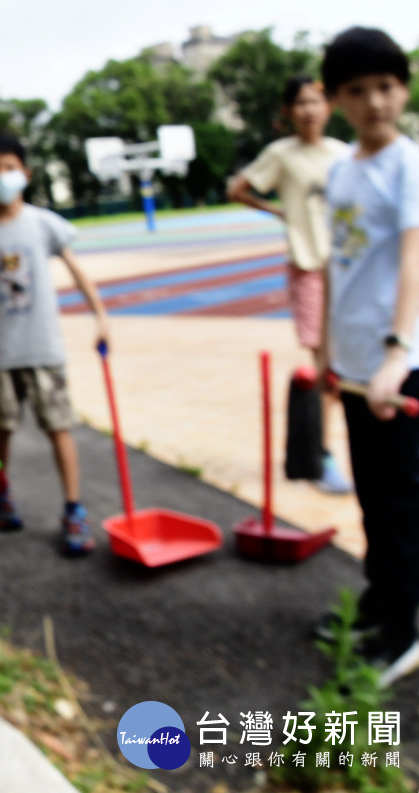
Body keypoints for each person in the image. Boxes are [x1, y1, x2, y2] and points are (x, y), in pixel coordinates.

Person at [0, 133, 109, 556]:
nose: (2, 176)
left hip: (44, 347)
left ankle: (74, 509)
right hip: (3, 350)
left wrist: (101, 315)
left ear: (26, 173)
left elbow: (78, 271)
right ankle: (0, 496)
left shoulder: (44, 223)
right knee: (4, 428)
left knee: (59, 427)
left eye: (9, 167)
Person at [313, 26, 419, 688]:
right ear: (337, 100)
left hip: (396, 364)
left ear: (403, 88)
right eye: (359, 90)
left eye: (386, 86)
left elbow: (413, 256)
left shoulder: (409, 163)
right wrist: (328, 346)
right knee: (375, 500)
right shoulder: (341, 170)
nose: (376, 102)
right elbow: (336, 263)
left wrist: (396, 352)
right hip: (353, 364)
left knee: (404, 501)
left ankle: (406, 631)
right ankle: (380, 606)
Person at [227, 74, 352, 494]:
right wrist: (278, 213)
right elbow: (236, 188)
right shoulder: (281, 154)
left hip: (347, 268)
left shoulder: (343, 154)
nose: (309, 110)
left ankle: (328, 449)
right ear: (287, 111)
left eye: (316, 101)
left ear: (330, 107)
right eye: (300, 103)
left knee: (350, 364)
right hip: (308, 267)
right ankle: (322, 455)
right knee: (325, 368)